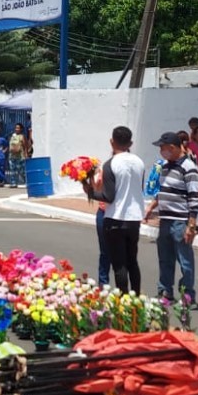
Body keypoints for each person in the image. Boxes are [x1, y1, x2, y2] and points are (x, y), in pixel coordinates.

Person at [83, 126, 147, 294]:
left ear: (112, 142)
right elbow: (139, 189)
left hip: (115, 218)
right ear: (130, 142)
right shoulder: (140, 162)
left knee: (119, 264)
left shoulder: (110, 164)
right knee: (132, 261)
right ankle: (136, 297)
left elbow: (108, 196)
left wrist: (89, 191)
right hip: (134, 218)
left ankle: (123, 299)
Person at [144, 132, 198, 309]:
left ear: (173, 148)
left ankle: (187, 296)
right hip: (165, 220)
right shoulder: (167, 167)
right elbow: (163, 191)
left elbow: (194, 197)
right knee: (165, 258)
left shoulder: (189, 167)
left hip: (180, 221)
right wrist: (151, 208)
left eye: (163, 148)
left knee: (185, 261)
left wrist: (191, 225)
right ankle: (165, 291)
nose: (161, 151)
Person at [7, 123, 29, 188]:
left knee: (22, 171)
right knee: (12, 170)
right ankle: (13, 183)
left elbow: (25, 146)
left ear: (21, 129)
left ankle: (27, 182)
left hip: (20, 156)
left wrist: (26, 154)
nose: (16, 129)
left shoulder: (22, 136)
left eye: (18, 128)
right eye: (16, 128)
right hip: (12, 156)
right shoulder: (12, 136)